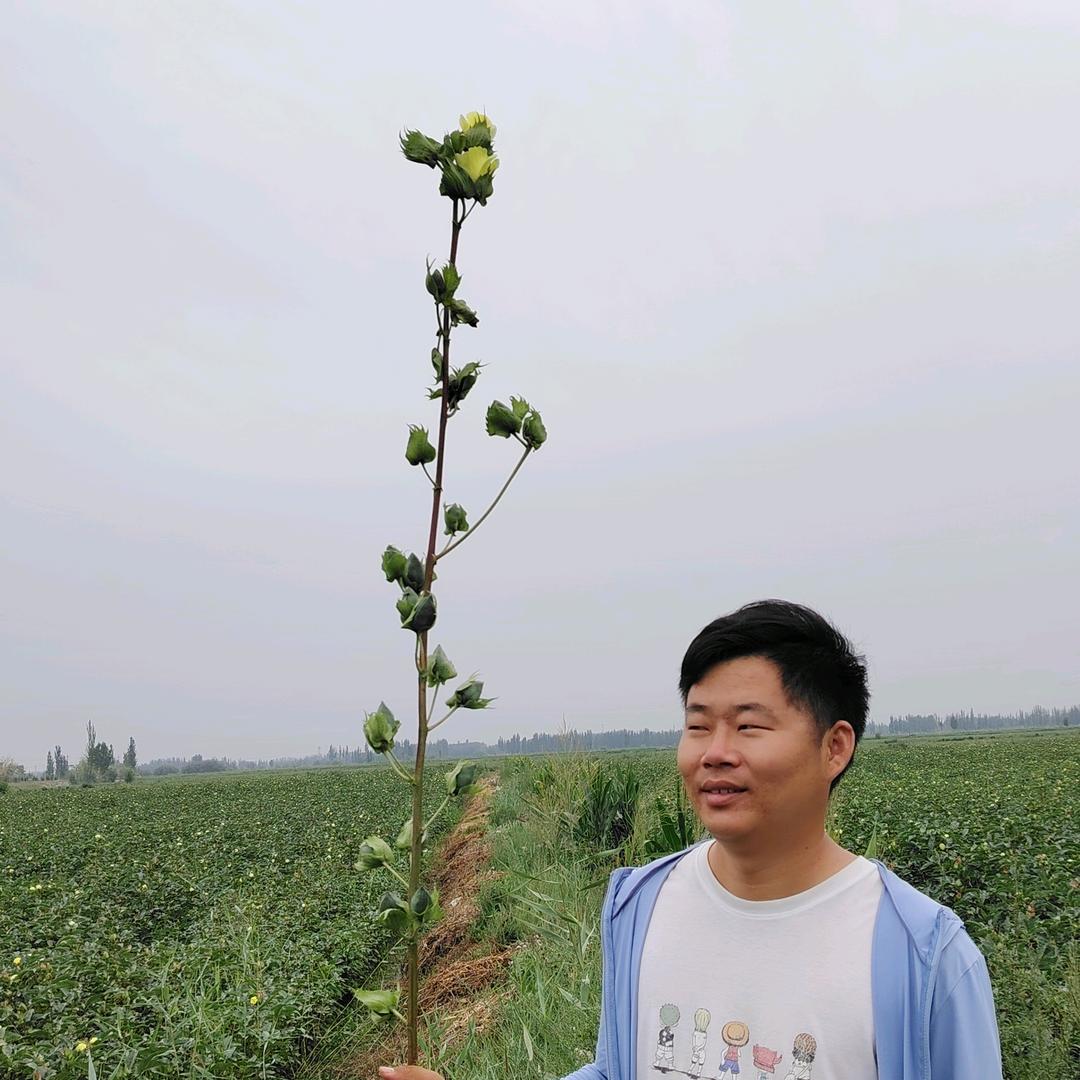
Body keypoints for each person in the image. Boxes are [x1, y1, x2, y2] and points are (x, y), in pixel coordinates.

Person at [380, 600, 1003, 1080]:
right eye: (698, 726)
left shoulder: (922, 955)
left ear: (835, 746)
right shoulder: (638, 904)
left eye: (749, 726)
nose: (716, 753)